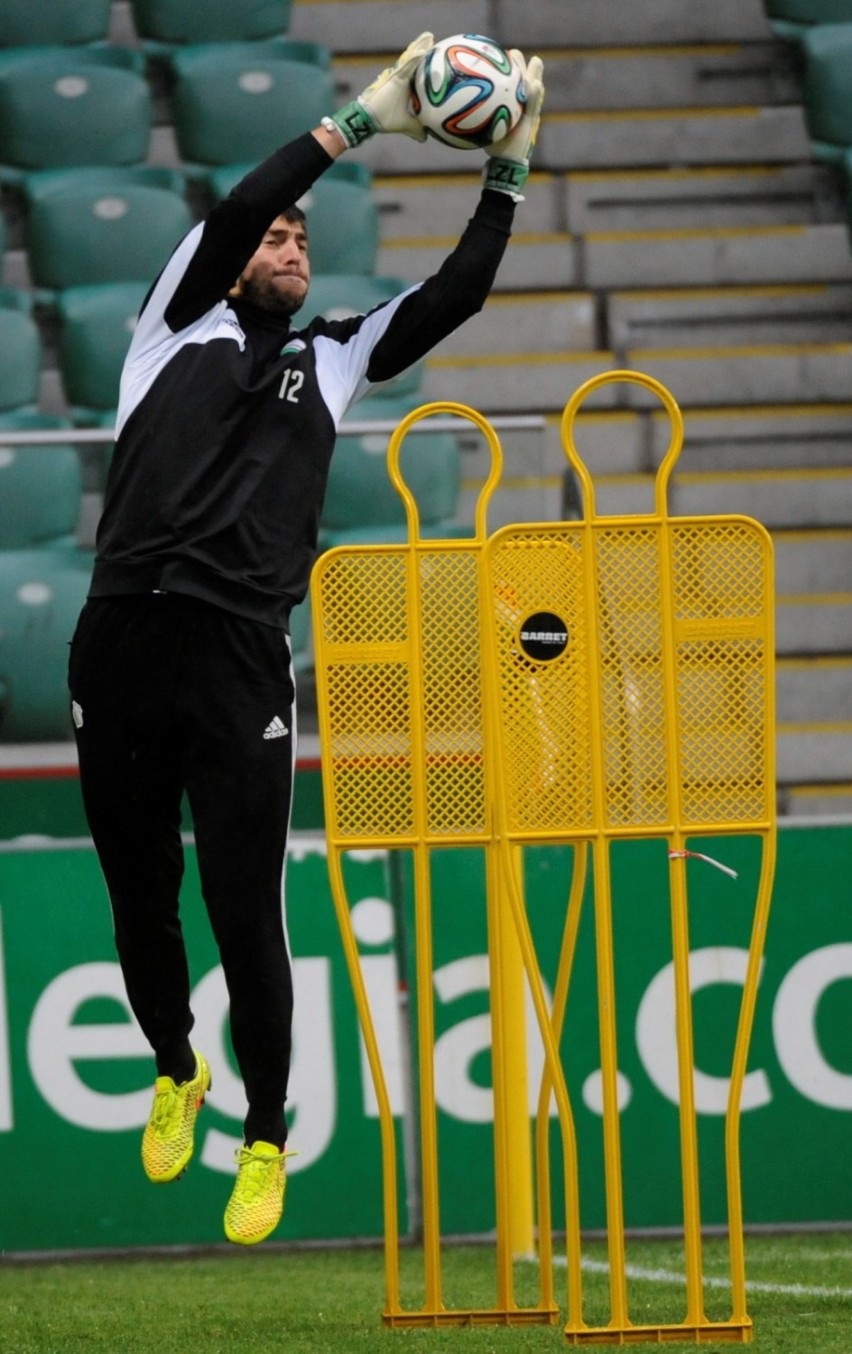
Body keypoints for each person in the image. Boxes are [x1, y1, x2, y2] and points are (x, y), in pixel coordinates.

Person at [67, 33, 545, 1246]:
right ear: (234, 267)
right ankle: (175, 1069)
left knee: (245, 912)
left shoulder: (334, 357)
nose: (291, 244)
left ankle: (266, 1134)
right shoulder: (170, 325)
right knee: (140, 893)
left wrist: (508, 171)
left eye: (301, 239)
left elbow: (458, 295)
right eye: (279, 239)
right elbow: (239, 201)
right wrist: (360, 122)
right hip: (120, 635)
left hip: (239, 655)